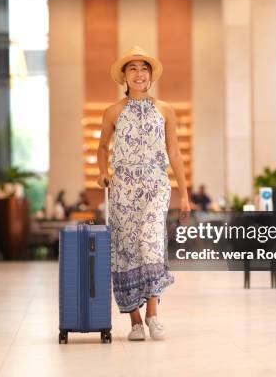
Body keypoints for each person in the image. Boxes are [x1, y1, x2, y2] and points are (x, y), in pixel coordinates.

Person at [97, 46, 190, 341]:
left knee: (151, 246)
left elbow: (174, 153)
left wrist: (184, 194)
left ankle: (153, 314)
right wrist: (103, 171)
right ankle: (134, 321)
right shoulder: (112, 112)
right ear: (124, 76)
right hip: (123, 190)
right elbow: (101, 147)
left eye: (144, 68)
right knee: (125, 251)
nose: (139, 73)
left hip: (155, 187)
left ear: (150, 76)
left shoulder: (165, 110)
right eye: (133, 69)